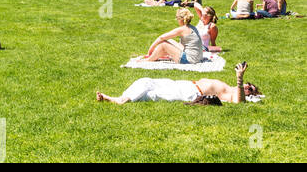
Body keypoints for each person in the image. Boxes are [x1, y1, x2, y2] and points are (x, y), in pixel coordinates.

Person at [96, 61, 259, 105]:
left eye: (250, 89)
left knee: (152, 94)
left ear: (250, 94)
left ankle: (119, 100)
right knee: (146, 80)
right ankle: (121, 97)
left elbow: (238, 102)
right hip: (185, 84)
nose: (247, 86)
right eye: (249, 84)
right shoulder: (230, 87)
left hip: (190, 93)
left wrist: (240, 79)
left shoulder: (233, 93)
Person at [131, 8, 206, 64]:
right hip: (197, 58)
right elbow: (182, 46)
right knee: (169, 41)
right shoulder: (192, 27)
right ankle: (155, 56)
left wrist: (150, 50)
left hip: (189, 60)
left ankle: (148, 60)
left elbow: (161, 37)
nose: (176, 19)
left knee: (163, 45)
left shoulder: (182, 29)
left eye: (177, 18)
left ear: (180, 19)